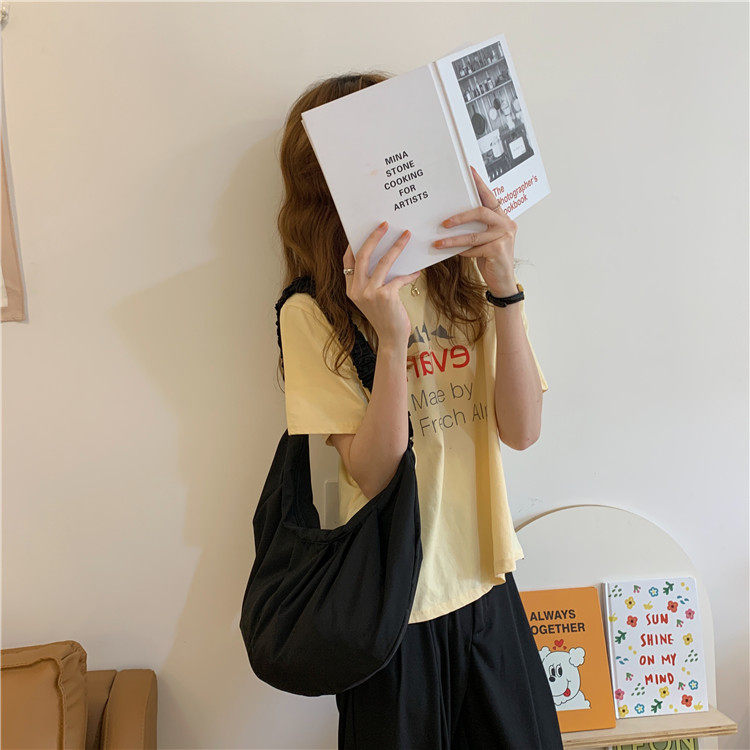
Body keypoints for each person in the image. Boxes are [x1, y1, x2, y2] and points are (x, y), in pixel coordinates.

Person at [275, 72, 564, 750]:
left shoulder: (462, 279)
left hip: (488, 587)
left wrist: (503, 283)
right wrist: (391, 335)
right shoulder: (312, 311)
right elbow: (375, 474)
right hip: (391, 611)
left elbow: (523, 431)